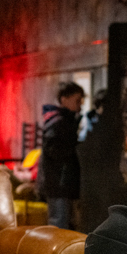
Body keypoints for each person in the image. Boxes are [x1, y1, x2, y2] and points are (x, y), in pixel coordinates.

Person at [37, 82, 84, 229]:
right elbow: (54, 151)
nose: (80, 105)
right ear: (64, 99)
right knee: (59, 225)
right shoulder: (59, 123)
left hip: (62, 182)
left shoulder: (64, 121)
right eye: (77, 100)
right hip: (59, 183)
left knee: (64, 224)